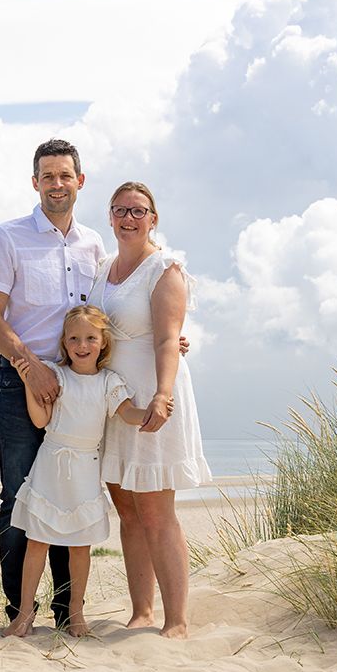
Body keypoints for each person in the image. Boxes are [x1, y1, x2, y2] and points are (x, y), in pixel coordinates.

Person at [0, 138, 103, 629]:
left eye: (65, 175)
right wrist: (29, 366)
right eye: (47, 176)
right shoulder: (7, 238)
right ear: (35, 182)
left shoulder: (94, 244)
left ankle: (68, 613)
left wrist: (169, 338)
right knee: (21, 496)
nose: (57, 184)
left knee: (69, 498)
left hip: (80, 390)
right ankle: (19, 613)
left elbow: (106, 317)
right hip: (20, 385)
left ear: (79, 181)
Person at [90, 181, 212, 639]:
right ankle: (140, 611)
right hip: (116, 401)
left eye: (138, 211)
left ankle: (176, 621)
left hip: (153, 397)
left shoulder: (165, 269)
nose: (129, 218)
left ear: (153, 218)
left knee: (157, 511)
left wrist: (162, 394)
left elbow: (167, 338)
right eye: (120, 210)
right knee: (127, 510)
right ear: (110, 216)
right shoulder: (102, 270)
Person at [3, 305, 151, 638]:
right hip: (50, 465)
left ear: (103, 342)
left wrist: (149, 413)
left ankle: (76, 614)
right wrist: (29, 381)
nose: (81, 345)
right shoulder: (57, 376)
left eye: (89, 338)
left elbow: (126, 413)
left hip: (85, 470)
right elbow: (41, 421)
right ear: (65, 342)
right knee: (37, 542)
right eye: (74, 338)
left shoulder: (109, 382)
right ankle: (24, 614)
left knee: (79, 547)